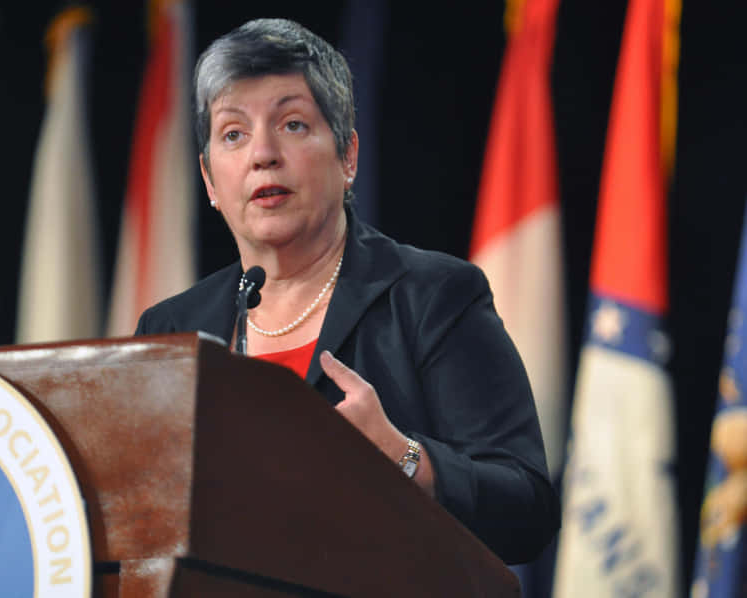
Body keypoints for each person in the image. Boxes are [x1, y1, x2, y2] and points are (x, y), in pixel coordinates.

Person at [135, 17, 559, 564]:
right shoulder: (170, 329)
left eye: (292, 124)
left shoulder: (432, 297)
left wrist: (405, 459)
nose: (262, 153)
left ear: (348, 157)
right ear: (211, 181)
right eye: (233, 134)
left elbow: (527, 510)